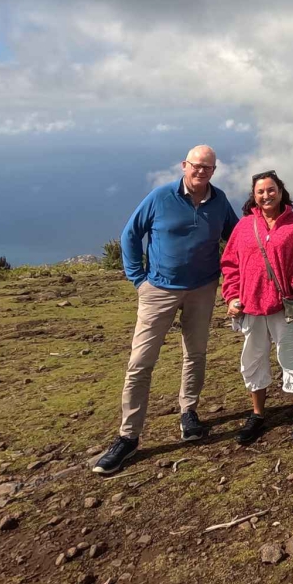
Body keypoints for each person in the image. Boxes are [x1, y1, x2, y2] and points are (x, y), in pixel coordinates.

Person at [94, 145, 238, 476]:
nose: (201, 171)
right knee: (140, 363)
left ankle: (189, 414)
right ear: (184, 166)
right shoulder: (161, 197)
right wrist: (138, 280)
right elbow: (131, 234)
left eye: (208, 167)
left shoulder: (219, 201)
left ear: (214, 171)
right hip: (158, 289)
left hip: (202, 289)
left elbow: (237, 235)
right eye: (196, 166)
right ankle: (128, 437)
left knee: (196, 354)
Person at [220, 171, 293, 446]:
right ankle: (257, 414)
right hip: (251, 306)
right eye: (261, 191)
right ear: (254, 194)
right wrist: (232, 297)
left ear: (280, 191)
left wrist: (291, 287)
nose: (266, 195)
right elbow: (230, 266)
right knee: (252, 360)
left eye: (271, 190)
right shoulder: (244, 227)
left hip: (284, 307)